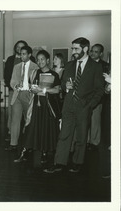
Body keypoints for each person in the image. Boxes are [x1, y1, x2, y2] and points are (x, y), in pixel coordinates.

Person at [44, 37, 104, 173]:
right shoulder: (70, 65)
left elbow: (100, 89)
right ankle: (59, 162)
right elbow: (64, 83)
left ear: (85, 49)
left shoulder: (95, 67)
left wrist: (90, 105)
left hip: (84, 106)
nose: (73, 51)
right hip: (68, 105)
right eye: (72, 48)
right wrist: (66, 86)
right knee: (64, 134)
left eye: (76, 49)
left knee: (81, 137)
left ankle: (78, 162)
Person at [17, 50, 60, 164]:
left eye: (42, 59)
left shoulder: (54, 74)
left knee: (46, 128)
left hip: (48, 105)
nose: (40, 61)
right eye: (38, 59)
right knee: (33, 127)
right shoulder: (34, 73)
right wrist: (33, 89)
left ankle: (45, 152)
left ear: (47, 60)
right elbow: (32, 88)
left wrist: (43, 90)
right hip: (35, 104)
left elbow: (57, 90)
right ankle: (29, 150)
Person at [6, 45, 39, 154]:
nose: (22, 56)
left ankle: (28, 144)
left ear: (29, 55)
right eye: (21, 54)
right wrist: (16, 86)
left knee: (28, 120)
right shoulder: (16, 66)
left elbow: (37, 83)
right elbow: (12, 81)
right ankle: (13, 144)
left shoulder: (35, 67)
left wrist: (31, 86)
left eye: (24, 54)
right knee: (15, 120)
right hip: (17, 94)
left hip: (28, 95)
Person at [86, 44, 110, 151]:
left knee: (95, 121)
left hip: (98, 98)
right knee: (85, 120)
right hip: (86, 97)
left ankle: (94, 142)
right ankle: (85, 141)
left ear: (101, 54)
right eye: (92, 51)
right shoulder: (86, 63)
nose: (93, 53)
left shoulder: (105, 66)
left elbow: (105, 84)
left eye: (96, 52)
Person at [4, 40, 28, 140]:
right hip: (13, 90)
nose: (19, 48)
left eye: (22, 47)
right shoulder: (10, 59)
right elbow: (6, 75)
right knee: (11, 113)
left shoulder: (31, 59)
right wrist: (13, 86)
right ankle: (11, 133)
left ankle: (26, 133)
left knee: (27, 114)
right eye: (17, 46)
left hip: (26, 92)